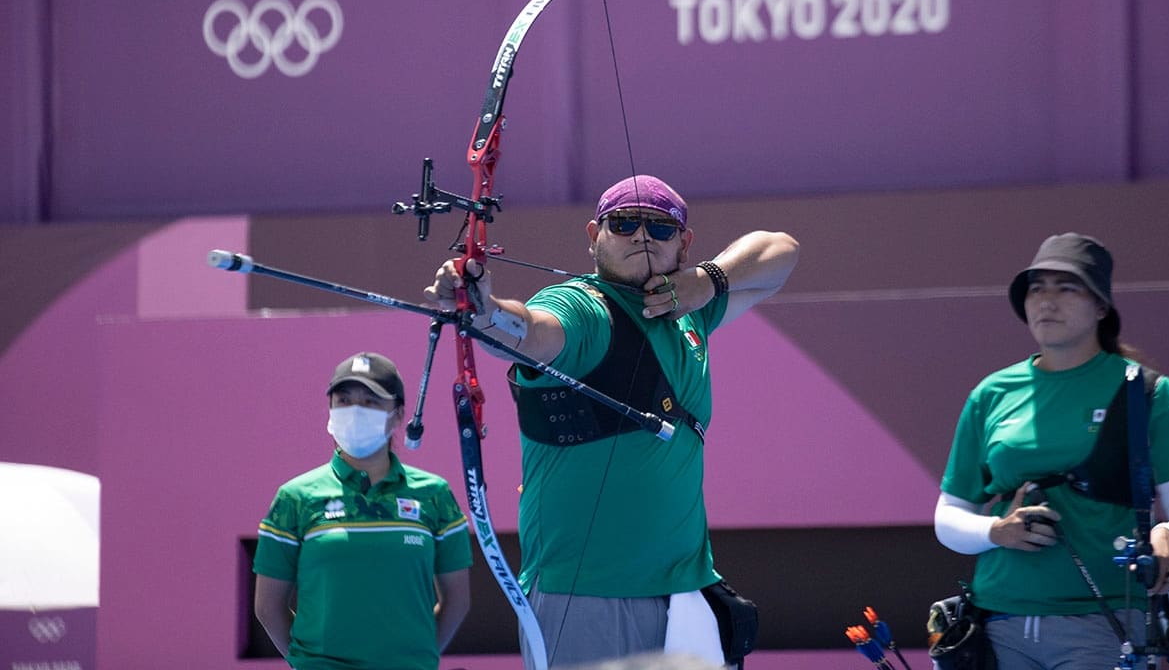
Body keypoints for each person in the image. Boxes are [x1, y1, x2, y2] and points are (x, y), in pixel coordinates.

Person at [425, 174, 799, 668]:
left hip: (688, 593)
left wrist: (708, 280)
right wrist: (487, 313)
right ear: (594, 235)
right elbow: (533, 332)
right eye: (624, 224)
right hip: (586, 597)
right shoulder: (582, 306)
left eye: (660, 228)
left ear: (684, 243)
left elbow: (782, 251)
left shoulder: (689, 314)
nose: (641, 235)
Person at [935, 233, 1169, 669]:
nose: (1047, 301)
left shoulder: (1150, 394)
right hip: (999, 620)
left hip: (1105, 621)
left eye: (1067, 287)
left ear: (1100, 307)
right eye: (1036, 288)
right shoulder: (992, 393)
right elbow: (948, 517)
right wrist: (996, 532)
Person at [253, 351, 472, 670]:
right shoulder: (295, 498)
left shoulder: (435, 494)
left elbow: (457, 601)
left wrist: (415, 657)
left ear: (398, 415)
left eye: (371, 401)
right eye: (344, 400)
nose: (355, 411)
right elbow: (268, 606)